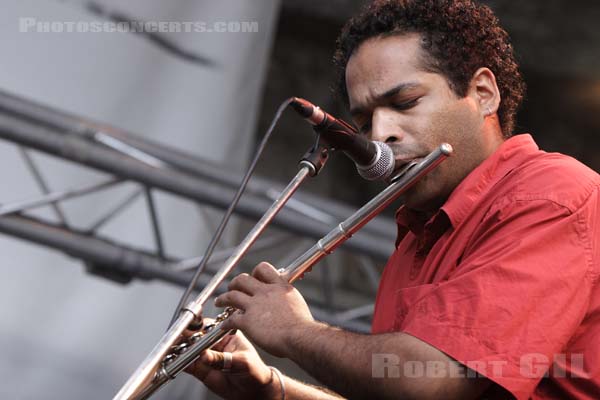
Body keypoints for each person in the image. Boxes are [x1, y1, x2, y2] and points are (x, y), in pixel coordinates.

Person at [188, 0, 600, 398]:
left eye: (404, 103)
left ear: (482, 93)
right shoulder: (418, 235)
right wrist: (273, 390)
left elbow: (432, 380)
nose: (380, 134)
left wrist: (294, 331)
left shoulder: (553, 196)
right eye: (364, 121)